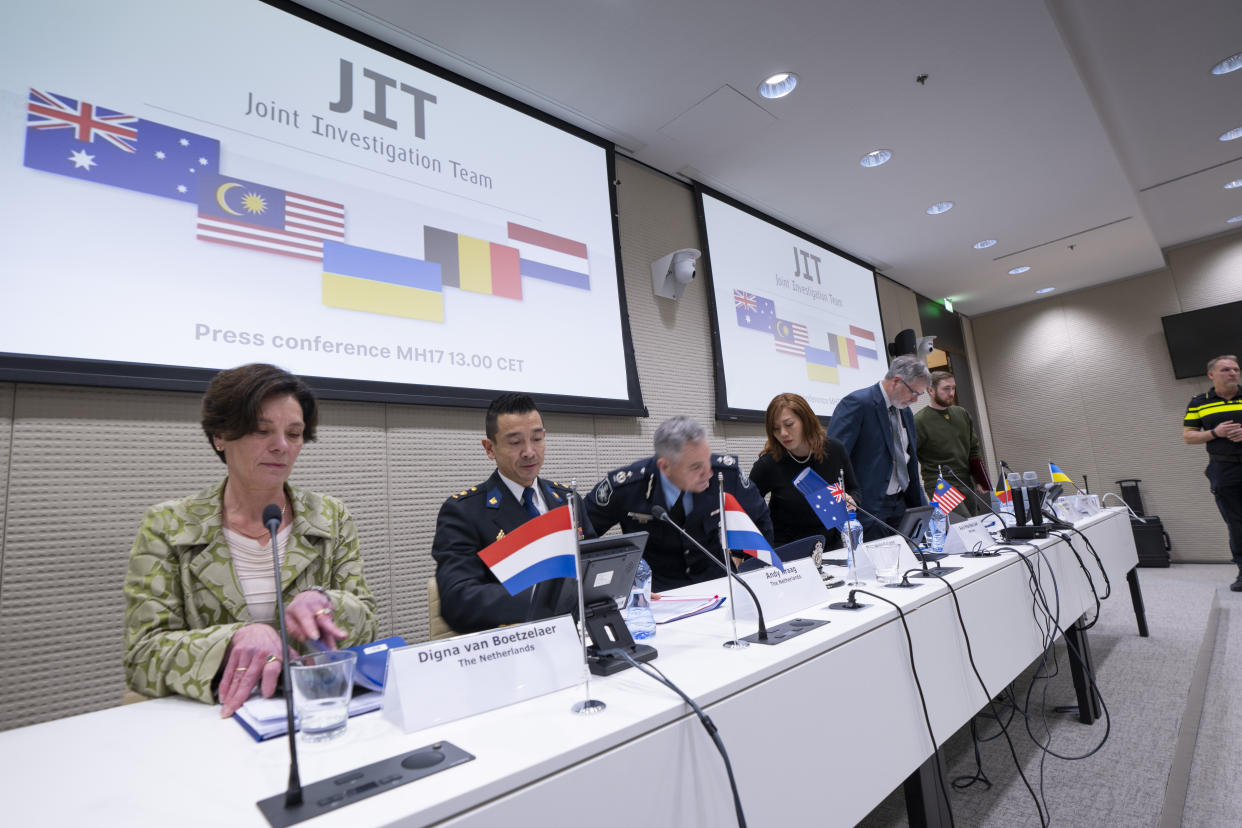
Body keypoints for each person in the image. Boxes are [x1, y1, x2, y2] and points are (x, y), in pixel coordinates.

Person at [124, 363, 378, 717]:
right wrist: (233, 640)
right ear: (220, 435)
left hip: (318, 709)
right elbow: (142, 657)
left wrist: (325, 602)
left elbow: (367, 622)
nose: (281, 446)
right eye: (262, 431)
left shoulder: (330, 517)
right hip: (215, 718)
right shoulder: (168, 525)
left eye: (294, 433)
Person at [432, 392, 594, 633]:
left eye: (537, 439)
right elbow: (459, 599)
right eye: (515, 443)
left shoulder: (567, 500)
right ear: (489, 448)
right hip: (513, 645)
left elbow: (593, 564)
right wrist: (547, 597)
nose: (529, 452)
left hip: (581, 636)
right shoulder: (464, 512)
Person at [585, 415, 774, 592]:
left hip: (720, 586)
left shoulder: (725, 475)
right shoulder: (627, 487)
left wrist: (750, 570)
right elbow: (582, 537)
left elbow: (760, 520)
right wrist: (620, 583)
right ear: (665, 467)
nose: (708, 472)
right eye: (695, 467)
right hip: (658, 596)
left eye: (706, 460)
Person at [826, 355, 930, 540]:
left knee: (908, 560)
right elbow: (832, 460)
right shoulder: (858, 403)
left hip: (901, 505)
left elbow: (909, 463)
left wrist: (921, 507)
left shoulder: (905, 412)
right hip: (868, 509)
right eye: (914, 393)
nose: (915, 400)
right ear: (896, 381)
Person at [749, 393, 860, 548]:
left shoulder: (834, 450)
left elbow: (853, 489)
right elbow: (746, 508)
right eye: (776, 429)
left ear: (805, 421)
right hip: (788, 550)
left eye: (789, 424)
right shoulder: (768, 464)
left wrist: (851, 501)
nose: (783, 434)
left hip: (830, 545)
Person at [1182, 354, 1242, 591]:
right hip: (1223, 468)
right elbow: (1188, 436)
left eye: (1236, 369)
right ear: (1211, 374)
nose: (1233, 373)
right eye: (1226, 369)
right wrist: (1215, 433)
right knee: (1236, 523)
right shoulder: (1199, 402)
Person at [913, 371, 992, 518]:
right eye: (946, 388)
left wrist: (981, 479)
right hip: (940, 483)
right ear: (930, 390)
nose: (951, 393)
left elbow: (973, 448)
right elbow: (910, 456)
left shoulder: (961, 413)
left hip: (965, 479)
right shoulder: (919, 421)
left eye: (953, 388)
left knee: (973, 525)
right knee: (963, 524)